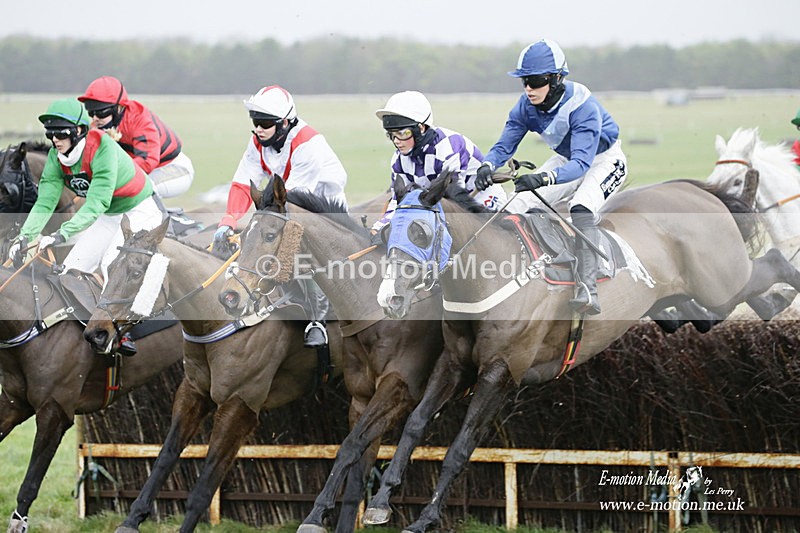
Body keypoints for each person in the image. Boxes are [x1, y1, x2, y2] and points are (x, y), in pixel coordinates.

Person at [475, 38, 627, 315]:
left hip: (603, 160)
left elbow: (581, 165)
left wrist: (543, 179)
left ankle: (588, 287)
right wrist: (486, 165)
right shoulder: (525, 106)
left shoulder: (583, 107)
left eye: (536, 81)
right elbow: (504, 146)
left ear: (557, 79)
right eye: (524, 82)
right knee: (515, 205)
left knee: (580, 207)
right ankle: (540, 267)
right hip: (567, 159)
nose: (529, 89)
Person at [7, 98, 163, 353]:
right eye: (51, 133)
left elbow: (96, 203)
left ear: (79, 130)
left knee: (111, 265)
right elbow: (45, 202)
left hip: (140, 208)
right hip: (111, 214)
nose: (54, 139)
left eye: (60, 133)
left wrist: (59, 236)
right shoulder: (58, 160)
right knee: (70, 270)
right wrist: (25, 237)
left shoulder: (103, 149)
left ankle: (123, 335)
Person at [216, 85, 348, 348]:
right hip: (283, 199)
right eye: (255, 123)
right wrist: (228, 221)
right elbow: (243, 184)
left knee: (297, 249)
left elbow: (291, 200)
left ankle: (317, 322)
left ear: (286, 123)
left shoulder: (307, 144)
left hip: (320, 207)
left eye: (265, 123)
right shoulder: (259, 141)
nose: (258, 130)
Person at [371, 90, 506, 239]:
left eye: (402, 134)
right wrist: (380, 228)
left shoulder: (449, 146)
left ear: (421, 128)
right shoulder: (398, 160)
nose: (396, 141)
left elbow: (454, 204)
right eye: (391, 134)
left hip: (478, 200)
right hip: (439, 202)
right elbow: (399, 201)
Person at [78, 76, 194, 199]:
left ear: (118, 108)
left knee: (138, 190)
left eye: (101, 113)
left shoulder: (139, 121)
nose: (95, 118)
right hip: (142, 169)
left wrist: (111, 174)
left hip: (173, 169)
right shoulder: (99, 125)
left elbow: (147, 161)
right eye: (91, 113)